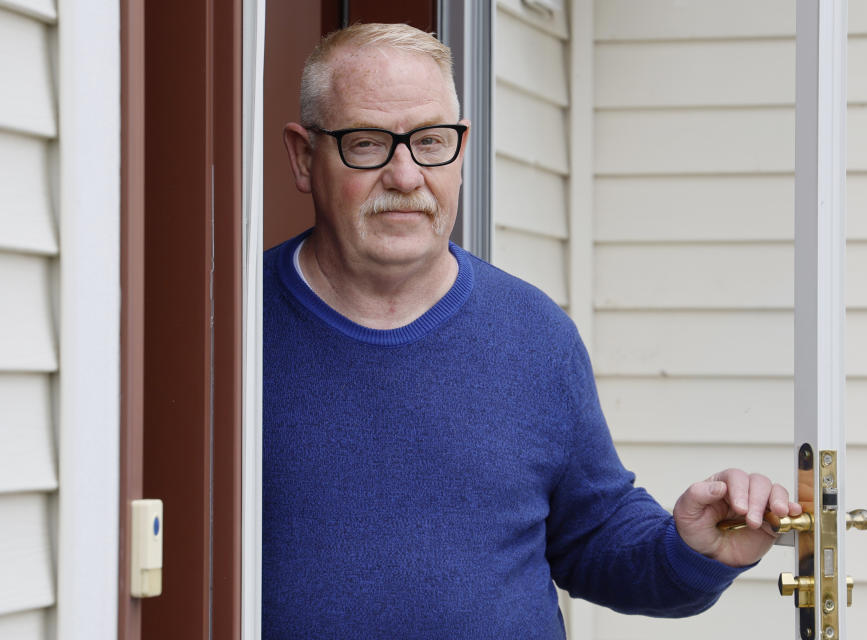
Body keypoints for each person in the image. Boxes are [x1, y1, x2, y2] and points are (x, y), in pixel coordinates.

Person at [263, 22, 800, 639]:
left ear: (461, 151)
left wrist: (693, 551)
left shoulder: (534, 335)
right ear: (305, 157)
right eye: (367, 143)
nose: (406, 176)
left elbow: (591, 537)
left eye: (431, 141)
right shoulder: (232, 332)